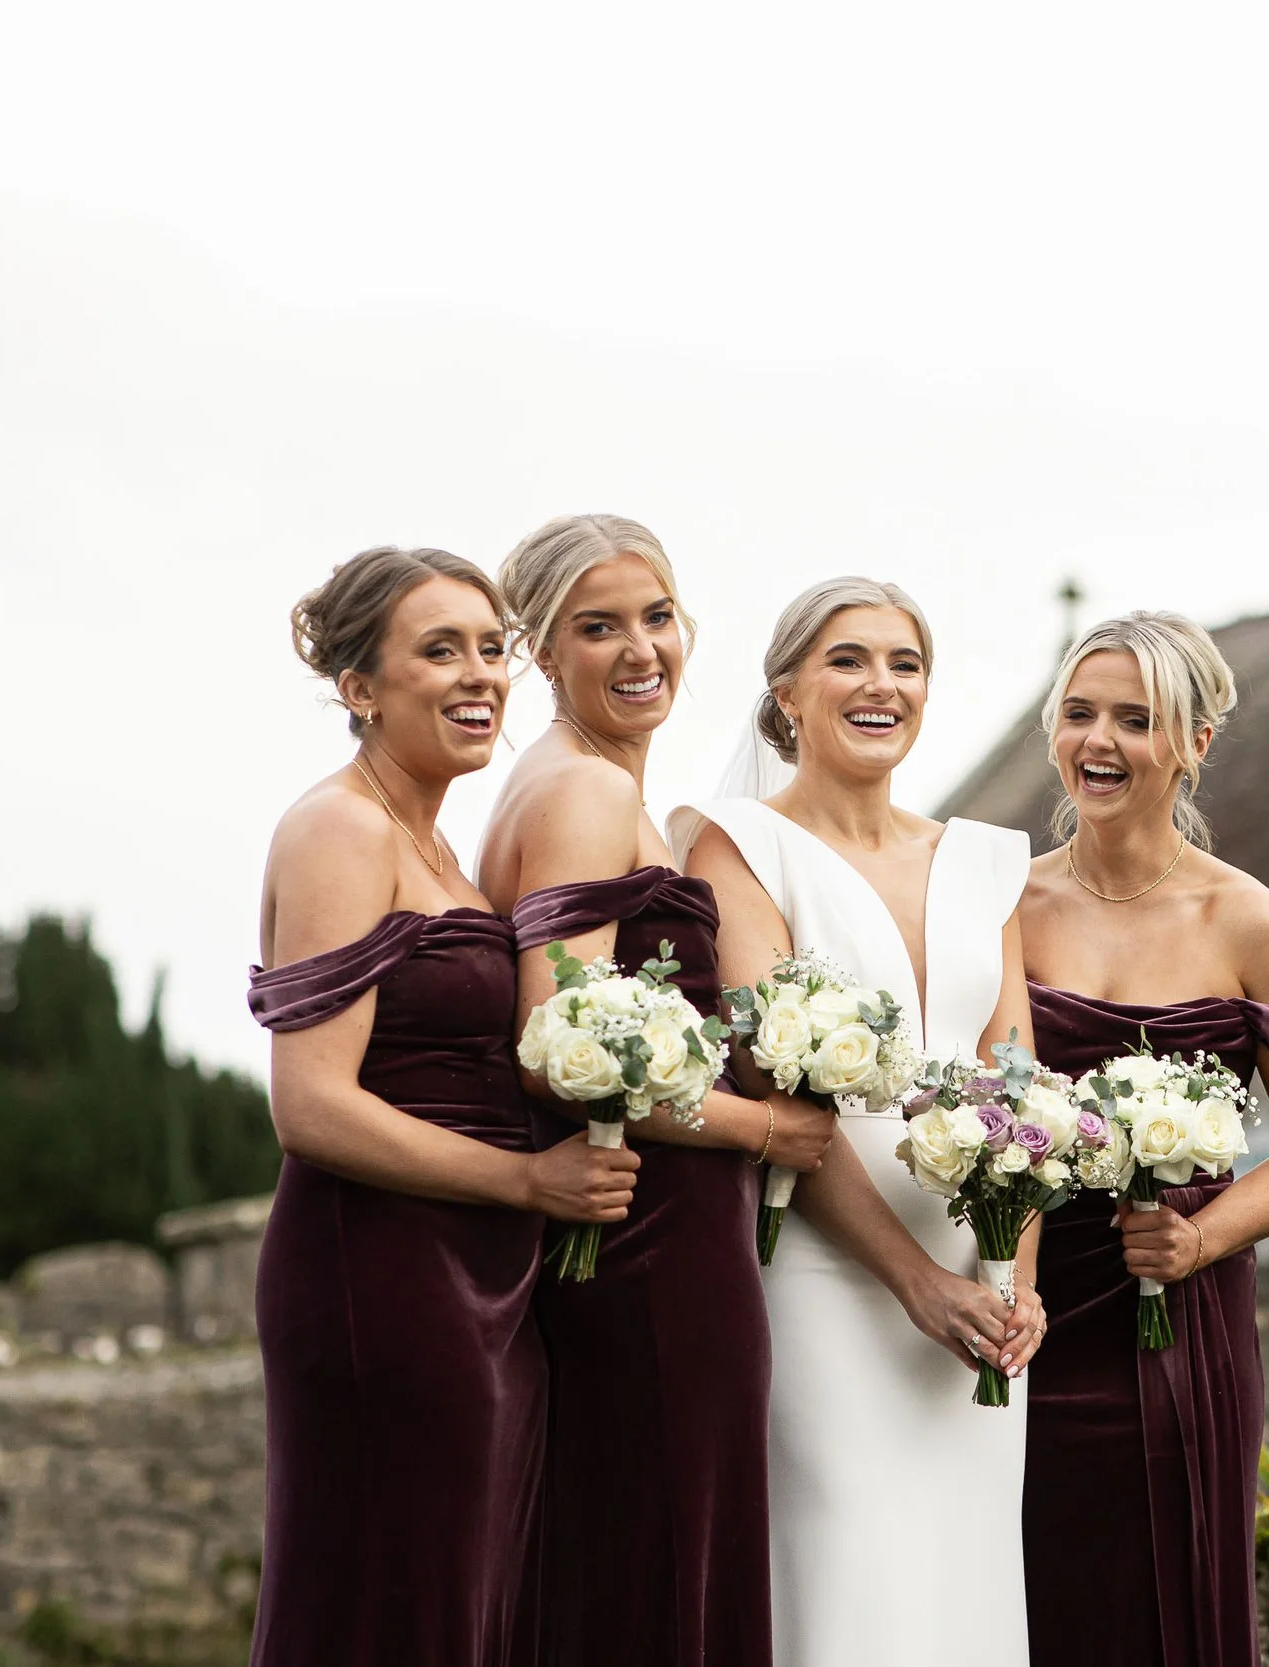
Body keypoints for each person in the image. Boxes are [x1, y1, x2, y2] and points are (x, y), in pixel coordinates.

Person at [246, 546, 639, 1667]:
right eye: (439, 650)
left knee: (464, 1600)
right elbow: (311, 1106)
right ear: (359, 687)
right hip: (380, 1269)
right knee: (393, 1601)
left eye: (491, 647)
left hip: (480, 1271)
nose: (481, 675)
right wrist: (528, 1179)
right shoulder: (341, 828)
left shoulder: (439, 844)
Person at [476, 516, 833, 1667]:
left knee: (639, 1554)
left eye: (658, 616)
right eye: (599, 627)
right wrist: (764, 1125)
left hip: (652, 1234)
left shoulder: (588, 784)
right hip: (649, 1246)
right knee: (662, 1558)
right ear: (540, 649)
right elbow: (557, 1045)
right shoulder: (582, 791)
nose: (641, 650)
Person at [672, 577, 1043, 1667]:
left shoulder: (987, 860)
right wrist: (913, 1281)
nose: (881, 683)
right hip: (827, 1277)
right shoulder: (738, 845)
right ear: (786, 691)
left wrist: (1015, 1283)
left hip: (976, 1295)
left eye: (905, 663)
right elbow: (778, 1090)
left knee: (965, 1591)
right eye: (848, 659)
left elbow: (1018, 1093)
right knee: (845, 1583)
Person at [1015, 610, 1269, 1667]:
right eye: (1079, 713)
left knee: (1164, 1598)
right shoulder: (1002, 906)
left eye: (1136, 718)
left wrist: (1199, 1238)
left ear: (1195, 742)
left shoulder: (1254, 923)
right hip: (1020, 1308)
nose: (1099, 741)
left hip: (1173, 1314)